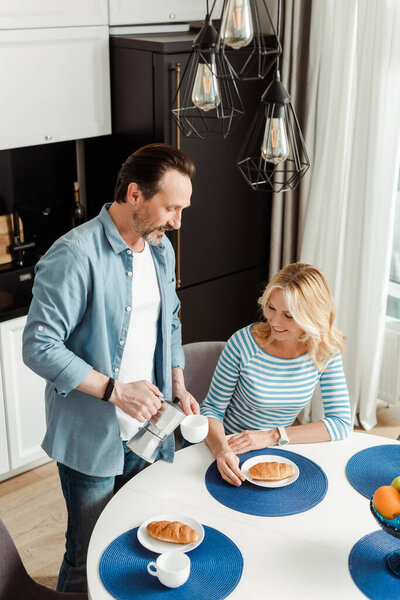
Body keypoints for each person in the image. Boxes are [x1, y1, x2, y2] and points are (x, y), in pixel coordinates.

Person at [22, 143, 200, 593]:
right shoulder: (75, 254)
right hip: (92, 434)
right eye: (171, 207)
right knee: (87, 555)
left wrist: (177, 381)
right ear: (135, 194)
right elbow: (39, 346)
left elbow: (171, 319)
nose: (177, 221)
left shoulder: (159, 250)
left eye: (182, 209)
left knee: (136, 543)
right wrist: (115, 391)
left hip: (148, 427)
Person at [200, 262, 352, 487]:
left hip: (274, 452)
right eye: (271, 308)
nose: (275, 322)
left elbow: (340, 423)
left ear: (311, 317)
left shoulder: (323, 351)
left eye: (289, 316)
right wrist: (222, 450)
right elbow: (211, 410)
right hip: (227, 450)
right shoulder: (242, 344)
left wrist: (272, 436)